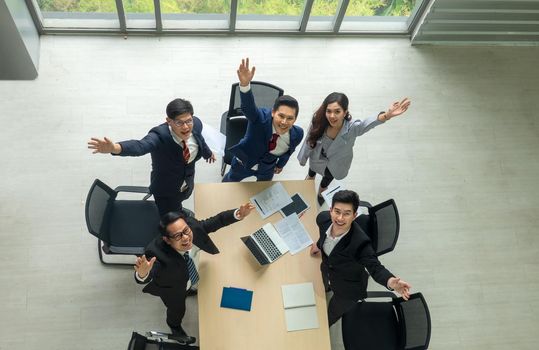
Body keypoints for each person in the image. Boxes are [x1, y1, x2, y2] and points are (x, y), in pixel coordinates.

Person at [134, 202, 255, 344]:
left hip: (190, 276)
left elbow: (217, 220)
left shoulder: (192, 227)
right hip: (173, 289)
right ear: (167, 240)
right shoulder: (155, 253)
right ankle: (174, 326)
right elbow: (148, 272)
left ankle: (191, 287)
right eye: (178, 236)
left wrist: (238, 214)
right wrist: (142, 274)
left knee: (195, 284)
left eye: (186, 231)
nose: (185, 237)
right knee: (177, 310)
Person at [88, 98, 216, 216]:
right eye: (179, 123)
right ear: (169, 121)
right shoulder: (159, 135)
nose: (186, 127)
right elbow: (140, 146)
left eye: (188, 121)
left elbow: (199, 139)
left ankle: (178, 209)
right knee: (171, 226)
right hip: (165, 191)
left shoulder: (197, 124)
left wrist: (207, 153)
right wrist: (115, 148)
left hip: (185, 184)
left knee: (178, 206)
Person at [310, 190, 411, 326]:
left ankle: (325, 326)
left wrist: (390, 281)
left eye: (347, 213)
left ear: (354, 215)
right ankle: (327, 288)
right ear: (330, 210)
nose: (340, 218)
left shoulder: (361, 243)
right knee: (325, 282)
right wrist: (318, 245)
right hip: (328, 267)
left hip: (348, 286)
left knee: (333, 311)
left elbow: (375, 267)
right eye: (337, 211)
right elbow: (324, 235)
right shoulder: (323, 220)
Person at [297, 92, 411, 205]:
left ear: (345, 112)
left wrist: (387, 115)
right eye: (329, 111)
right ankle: (310, 178)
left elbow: (366, 124)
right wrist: (303, 158)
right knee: (312, 170)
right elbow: (309, 139)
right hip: (317, 156)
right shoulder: (319, 121)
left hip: (336, 163)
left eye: (337, 111)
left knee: (327, 178)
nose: (332, 116)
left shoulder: (352, 128)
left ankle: (322, 191)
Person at [222, 58, 304, 182]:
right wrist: (244, 85)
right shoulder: (260, 119)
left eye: (290, 118)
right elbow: (249, 108)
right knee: (229, 184)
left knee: (263, 193)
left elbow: (288, 151)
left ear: (295, 119)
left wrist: (280, 165)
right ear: (273, 112)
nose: (284, 122)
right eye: (281, 116)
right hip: (243, 163)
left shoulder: (298, 134)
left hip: (267, 169)